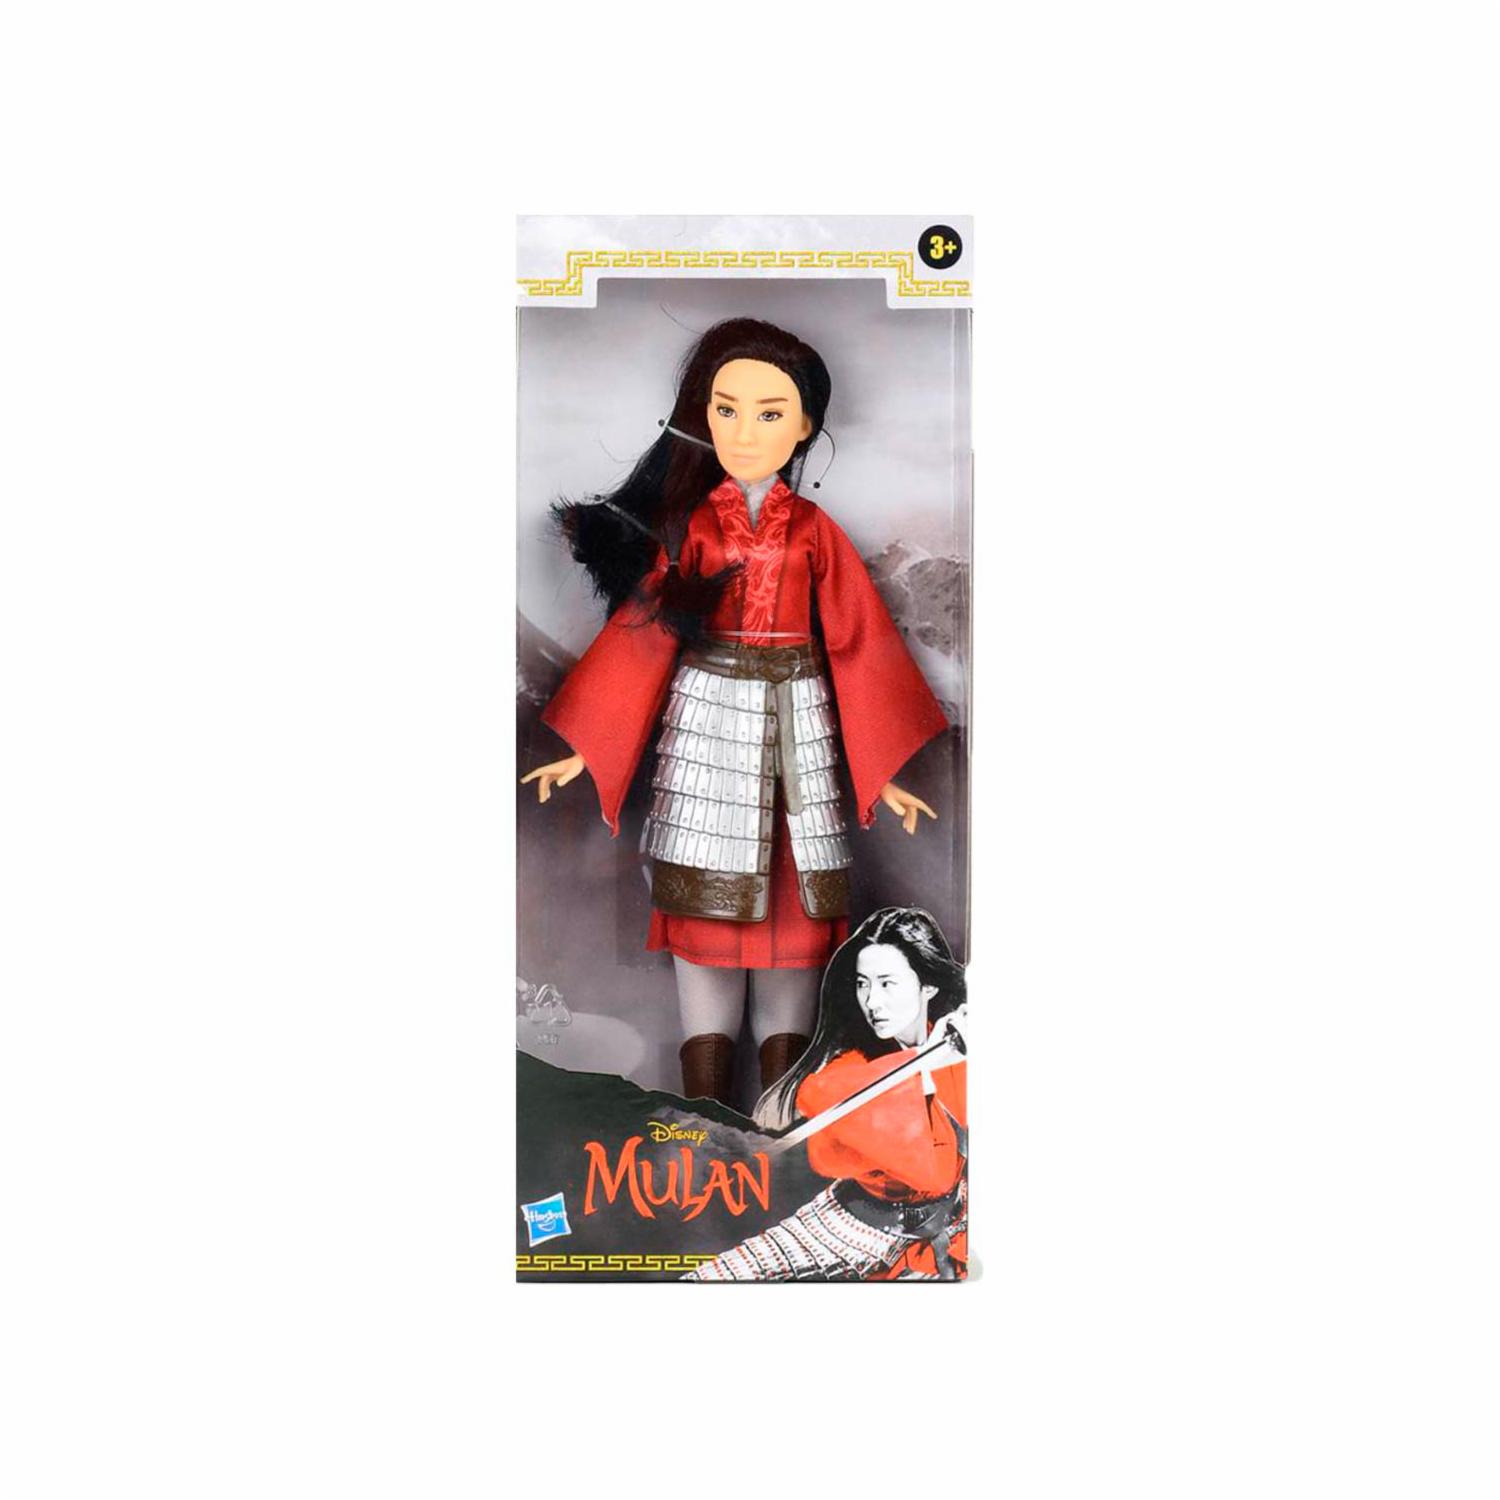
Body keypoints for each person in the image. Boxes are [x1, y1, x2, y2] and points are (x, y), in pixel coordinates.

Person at [522, 319, 948, 1108]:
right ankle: (706, 1117)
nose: (744, 431)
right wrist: (590, 742)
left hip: (798, 748)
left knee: (794, 936)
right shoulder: (694, 531)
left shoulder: (815, 534)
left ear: (805, 425)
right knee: (705, 928)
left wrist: (880, 767)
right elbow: (644, 635)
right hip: (707, 741)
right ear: (702, 415)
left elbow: (859, 643)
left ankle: (777, 1121)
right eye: (726, 410)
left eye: (769, 412)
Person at [684, 907, 968, 1281]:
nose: (872, 1002)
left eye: (887, 984)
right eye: (863, 984)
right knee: (711, 1279)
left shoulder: (957, 1046)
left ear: (927, 986)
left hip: (950, 1231)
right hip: (850, 1232)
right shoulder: (845, 1068)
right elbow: (927, 1172)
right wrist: (925, 1060)